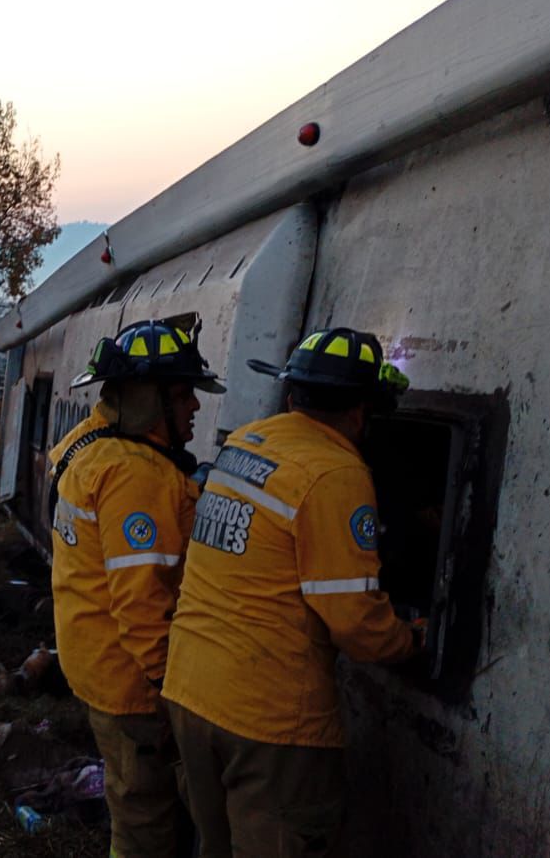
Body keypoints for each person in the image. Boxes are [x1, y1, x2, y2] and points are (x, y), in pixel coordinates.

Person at [162, 328, 422, 858]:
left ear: (290, 396)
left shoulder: (243, 445)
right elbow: (356, 624)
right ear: (361, 411)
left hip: (190, 691)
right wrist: (411, 640)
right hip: (268, 722)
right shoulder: (337, 474)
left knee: (213, 846)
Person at [49, 317, 225, 858]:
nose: (195, 407)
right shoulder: (136, 475)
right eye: (183, 396)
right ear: (150, 401)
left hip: (94, 659)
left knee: (134, 805)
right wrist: (171, 695)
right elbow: (143, 605)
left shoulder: (93, 442)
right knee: (145, 823)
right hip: (133, 683)